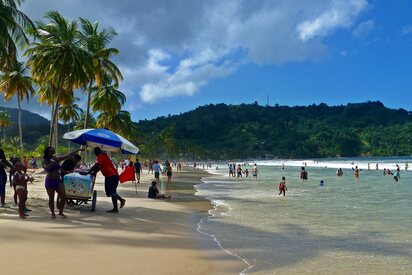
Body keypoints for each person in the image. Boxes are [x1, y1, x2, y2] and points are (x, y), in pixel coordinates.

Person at [82, 147, 126, 213]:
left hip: (112, 176)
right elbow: (99, 167)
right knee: (110, 192)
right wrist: (93, 172)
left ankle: (117, 206)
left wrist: (88, 172)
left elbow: (96, 165)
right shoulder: (103, 156)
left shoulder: (101, 156)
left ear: (95, 153)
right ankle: (119, 203)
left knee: (112, 192)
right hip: (110, 176)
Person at [43, 147, 83, 218]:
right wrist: (52, 161)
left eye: (53, 151)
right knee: (51, 198)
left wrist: (77, 150)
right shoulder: (45, 161)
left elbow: (68, 155)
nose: (53, 152)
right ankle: (53, 213)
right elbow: (47, 169)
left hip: (58, 180)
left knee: (63, 195)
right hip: (50, 181)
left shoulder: (57, 159)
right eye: (51, 151)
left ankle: (60, 212)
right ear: (47, 153)